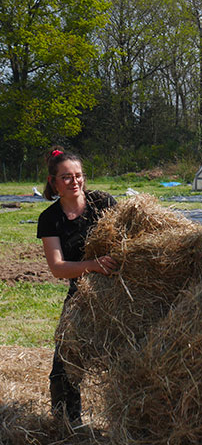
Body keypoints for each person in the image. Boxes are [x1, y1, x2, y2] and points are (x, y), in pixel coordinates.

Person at [37, 148, 118, 427]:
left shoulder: (102, 203)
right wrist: (93, 265)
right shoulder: (50, 218)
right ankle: (66, 425)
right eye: (67, 177)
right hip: (83, 293)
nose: (75, 182)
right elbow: (58, 268)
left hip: (121, 292)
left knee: (128, 356)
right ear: (53, 182)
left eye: (79, 176)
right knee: (64, 364)